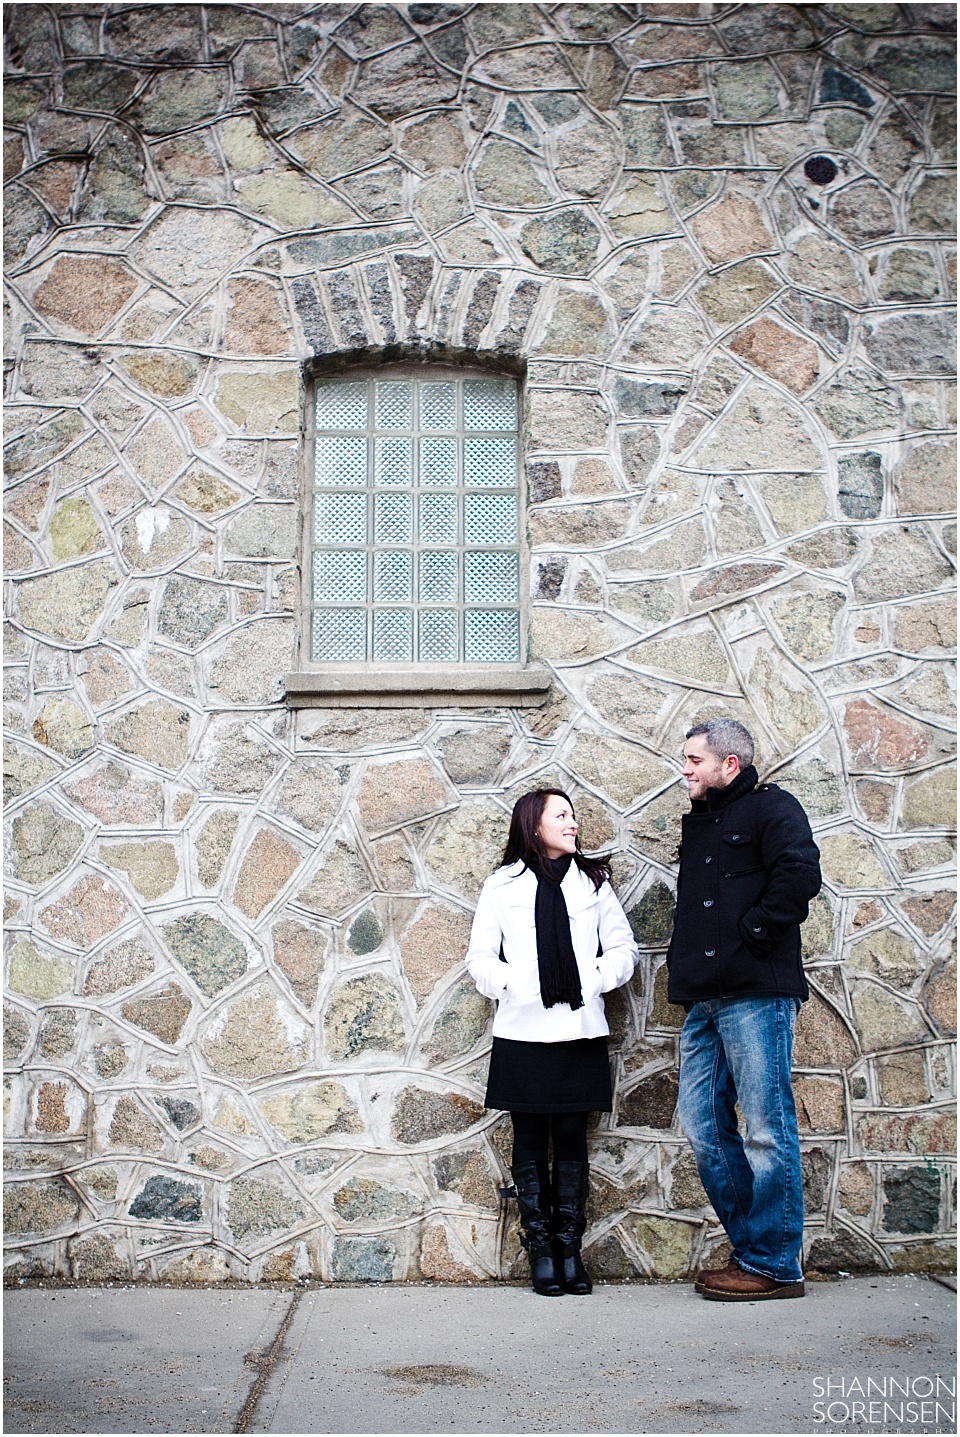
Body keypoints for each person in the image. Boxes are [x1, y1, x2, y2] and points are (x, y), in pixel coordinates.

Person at [667, 718, 822, 1302]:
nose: (686, 769)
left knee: (765, 1127)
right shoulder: (703, 822)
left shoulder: (771, 808)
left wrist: (753, 930)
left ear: (728, 764)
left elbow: (801, 873)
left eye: (694, 760)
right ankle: (753, 1251)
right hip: (705, 998)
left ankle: (776, 1265)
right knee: (704, 1126)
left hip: (757, 992)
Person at [465, 789, 639, 1297]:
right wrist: (518, 983)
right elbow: (479, 959)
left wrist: (593, 976)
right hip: (522, 1030)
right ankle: (540, 1251)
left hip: (578, 1029)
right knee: (527, 1140)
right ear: (533, 826)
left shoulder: (592, 884)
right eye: (561, 815)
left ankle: (569, 1250)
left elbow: (624, 948)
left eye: (574, 815)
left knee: (570, 1140)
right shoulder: (501, 886)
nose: (574, 823)